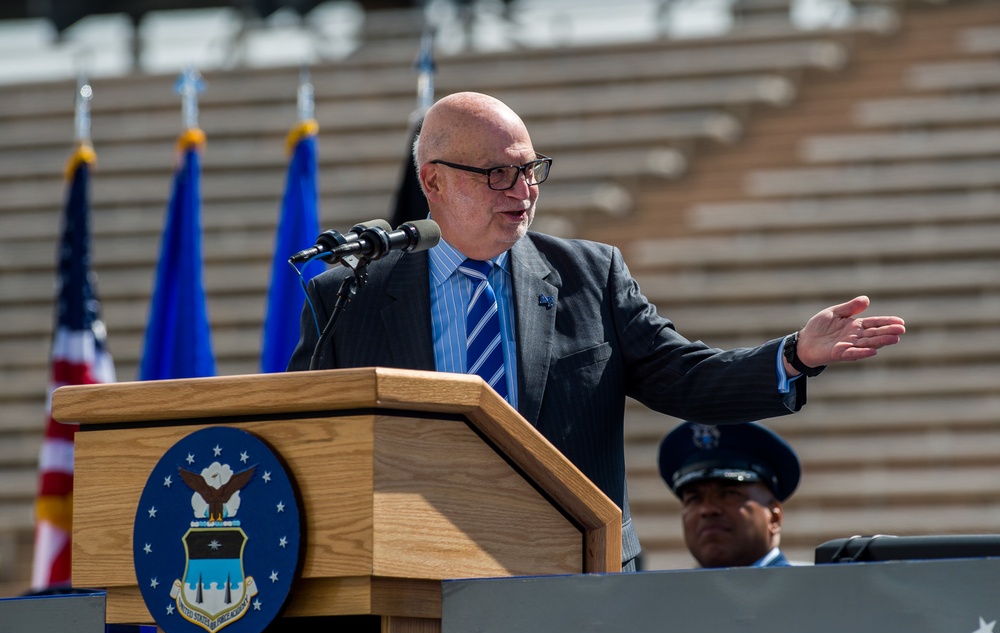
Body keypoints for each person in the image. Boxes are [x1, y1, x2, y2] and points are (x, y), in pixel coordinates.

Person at [287, 91, 905, 571]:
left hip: (573, 564)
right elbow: (308, 432)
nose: (523, 192)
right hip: (416, 568)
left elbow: (682, 375)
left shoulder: (589, 274)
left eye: (531, 170)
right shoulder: (351, 293)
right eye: (498, 175)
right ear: (433, 182)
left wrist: (794, 355)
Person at [658, 421, 800, 568]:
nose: (708, 509)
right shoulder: (669, 591)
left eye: (729, 494)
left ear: (775, 517)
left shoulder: (810, 590)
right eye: (694, 498)